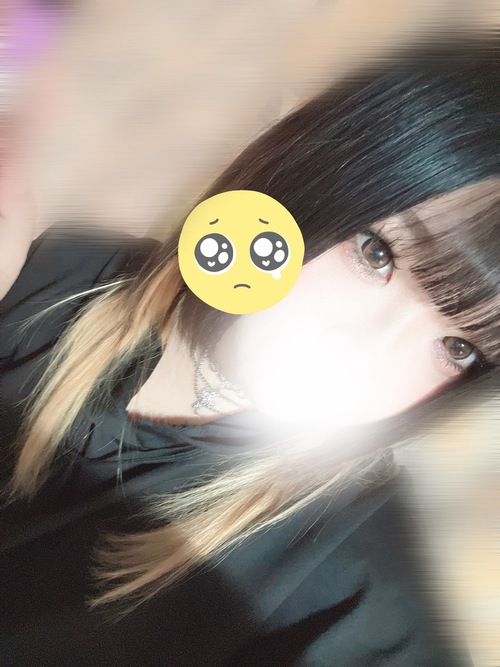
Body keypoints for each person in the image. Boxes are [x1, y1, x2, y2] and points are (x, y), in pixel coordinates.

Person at [1, 32, 499, 666]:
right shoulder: (59, 273)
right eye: (376, 254)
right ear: (303, 165)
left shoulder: (354, 597)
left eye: (459, 347)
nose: (370, 353)